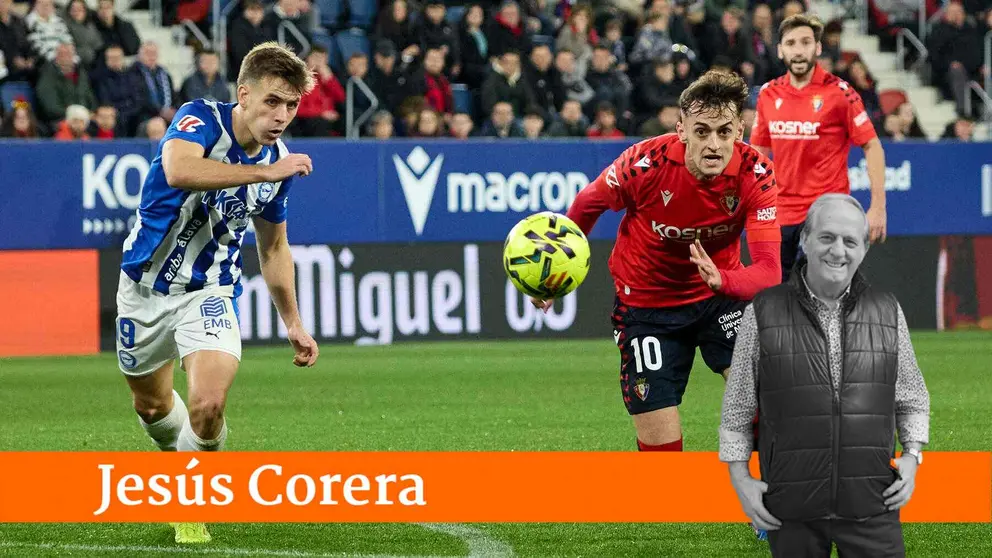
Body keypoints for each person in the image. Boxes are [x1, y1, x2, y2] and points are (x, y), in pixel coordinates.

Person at [114, 42, 319, 544]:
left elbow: (274, 249)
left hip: (210, 290)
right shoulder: (200, 118)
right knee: (152, 408)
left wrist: (293, 321)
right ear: (244, 95)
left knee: (207, 405)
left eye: (291, 105)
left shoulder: (279, 165)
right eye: (272, 101)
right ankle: (179, 459)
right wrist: (264, 172)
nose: (281, 116)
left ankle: (188, 504)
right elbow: (179, 170)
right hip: (143, 290)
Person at [533, 69, 782, 454]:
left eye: (724, 132)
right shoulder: (644, 163)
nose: (713, 144)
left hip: (720, 298)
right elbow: (588, 204)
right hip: (647, 307)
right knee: (661, 451)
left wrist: (723, 281)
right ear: (681, 130)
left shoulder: (757, 174)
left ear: (739, 131)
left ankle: (762, 483)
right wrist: (556, 275)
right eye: (702, 131)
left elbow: (769, 271)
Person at [720, 194, 931, 558]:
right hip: (789, 510)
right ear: (805, 240)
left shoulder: (887, 310)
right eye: (827, 237)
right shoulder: (763, 310)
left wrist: (912, 456)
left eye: (850, 241)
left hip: (873, 506)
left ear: (864, 250)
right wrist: (741, 480)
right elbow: (737, 409)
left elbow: (912, 397)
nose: (838, 251)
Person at [750, 14, 888, 282]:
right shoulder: (768, 94)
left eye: (805, 42)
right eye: (791, 43)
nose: (798, 50)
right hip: (779, 216)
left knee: (815, 291)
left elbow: (872, 146)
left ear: (818, 48)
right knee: (778, 297)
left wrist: (878, 207)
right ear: (780, 50)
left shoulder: (840, 93)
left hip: (826, 213)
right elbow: (758, 154)